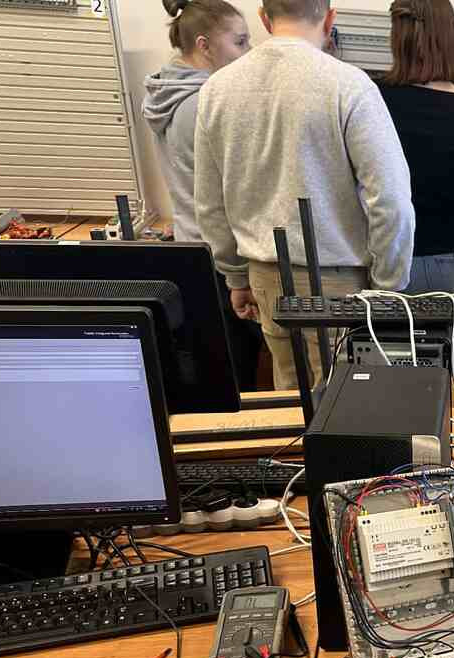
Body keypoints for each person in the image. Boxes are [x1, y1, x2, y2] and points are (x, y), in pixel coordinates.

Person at [194, 0, 415, 390]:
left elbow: (210, 203)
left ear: (264, 19)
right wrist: (388, 286)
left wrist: (236, 276)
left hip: (266, 275)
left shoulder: (217, 89)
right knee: (348, 403)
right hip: (341, 281)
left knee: (291, 402)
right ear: (329, 19)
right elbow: (391, 198)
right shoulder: (348, 85)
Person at [376, 0, 454, 375]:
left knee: (392, 380)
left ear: (397, 36)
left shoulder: (374, 98)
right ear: (452, 38)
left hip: (394, 256)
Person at [143, 0, 249, 244]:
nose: (249, 51)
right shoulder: (204, 103)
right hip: (222, 248)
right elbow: (232, 191)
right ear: (204, 46)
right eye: (240, 42)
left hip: (191, 237)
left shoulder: (167, 94)